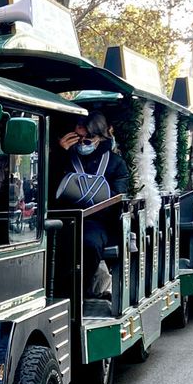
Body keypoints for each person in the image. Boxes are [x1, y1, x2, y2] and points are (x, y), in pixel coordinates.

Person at [54, 113, 129, 297]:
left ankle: (76, 294)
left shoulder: (115, 163)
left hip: (95, 221)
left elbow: (117, 199)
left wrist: (92, 195)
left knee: (88, 244)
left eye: (89, 138)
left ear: (101, 137)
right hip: (60, 217)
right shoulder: (64, 156)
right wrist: (59, 153)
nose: (83, 143)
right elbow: (47, 185)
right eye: (78, 138)